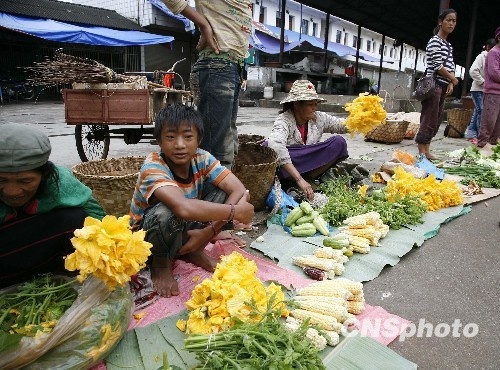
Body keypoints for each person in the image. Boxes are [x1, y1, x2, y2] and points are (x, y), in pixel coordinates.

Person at [129, 104, 254, 298]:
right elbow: (184, 208)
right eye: (171, 137)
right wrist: (235, 212)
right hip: (149, 239)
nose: (180, 145)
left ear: (198, 140)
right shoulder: (153, 166)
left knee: (224, 194)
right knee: (165, 212)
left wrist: (209, 232)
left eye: (188, 137)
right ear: (159, 141)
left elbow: (237, 188)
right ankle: (161, 265)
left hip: (184, 228)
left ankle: (193, 250)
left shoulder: (201, 157)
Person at [0, 124, 105, 289]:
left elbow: (97, 218)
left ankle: (62, 276)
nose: (12, 191)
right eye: (2, 180)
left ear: (44, 175)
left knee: (77, 219)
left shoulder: (59, 182)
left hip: (40, 253)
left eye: (25, 181)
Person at [162, 0, 252, 169]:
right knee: (216, 152)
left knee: (228, 148)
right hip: (217, 64)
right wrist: (203, 24)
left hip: (231, 66)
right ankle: (208, 194)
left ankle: (221, 193)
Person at [265, 80, 349, 201]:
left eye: (315, 104)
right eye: (310, 105)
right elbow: (276, 146)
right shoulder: (284, 120)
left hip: (306, 164)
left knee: (338, 142)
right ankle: (294, 181)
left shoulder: (318, 118)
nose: (314, 108)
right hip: (288, 167)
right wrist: (298, 179)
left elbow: (340, 125)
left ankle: (308, 178)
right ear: (296, 105)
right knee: (269, 146)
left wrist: (361, 119)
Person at [415, 8, 459, 160]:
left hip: (443, 85)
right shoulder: (434, 41)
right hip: (433, 85)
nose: (451, 23)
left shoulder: (448, 45)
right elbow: (438, 65)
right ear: (441, 22)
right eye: (448, 20)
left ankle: (427, 150)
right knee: (428, 117)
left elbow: (451, 66)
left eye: (454, 21)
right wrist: (453, 79)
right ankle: (422, 152)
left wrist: (451, 83)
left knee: (437, 119)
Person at [465, 38, 497, 144]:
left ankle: (470, 133)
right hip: (478, 89)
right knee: (482, 111)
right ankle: (480, 135)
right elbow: (473, 71)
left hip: (483, 89)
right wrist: (483, 82)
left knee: (477, 110)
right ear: (487, 47)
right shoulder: (481, 56)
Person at [476, 26, 500, 151]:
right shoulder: (494, 52)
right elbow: (494, 73)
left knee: (497, 122)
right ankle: (483, 143)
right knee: (489, 119)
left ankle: (493, 143)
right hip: (493, 92)